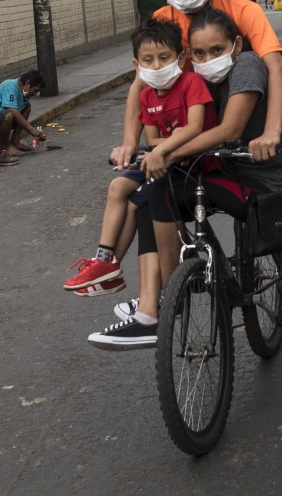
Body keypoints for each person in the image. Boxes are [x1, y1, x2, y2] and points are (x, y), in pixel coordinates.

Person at [108, 0, 282, 341]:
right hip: (199, 135)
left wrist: (273, 131)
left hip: (256, 124)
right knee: (152, 193)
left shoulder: (242, 10)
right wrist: (131, 143)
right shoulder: (162, 20)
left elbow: (276, 69)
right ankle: (166, 286)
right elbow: (142, 85)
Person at [69, 19, 214, 305]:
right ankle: (104, 260)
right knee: (117, 187)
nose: (157, 66)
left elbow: (195, 128)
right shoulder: (146, 96)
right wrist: (165, 143)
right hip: (158, 160)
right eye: (149, 60)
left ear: (180, 58)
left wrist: (165, 147)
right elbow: (152, 139)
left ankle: (115, 271)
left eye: (164, 58)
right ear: (137, 65)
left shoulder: (191, 83)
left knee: (136, 204)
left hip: (186, 164)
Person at [0, 70, 46, 168]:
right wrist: (31, 130)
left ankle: (15, 141)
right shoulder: (10, 85)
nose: (35, 94)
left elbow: (21, 112)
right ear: (27, 84)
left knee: (27, 108)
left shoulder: (24, 93)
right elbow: (12, 110)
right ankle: (6, 146)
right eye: (35, 90)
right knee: (9, 114)